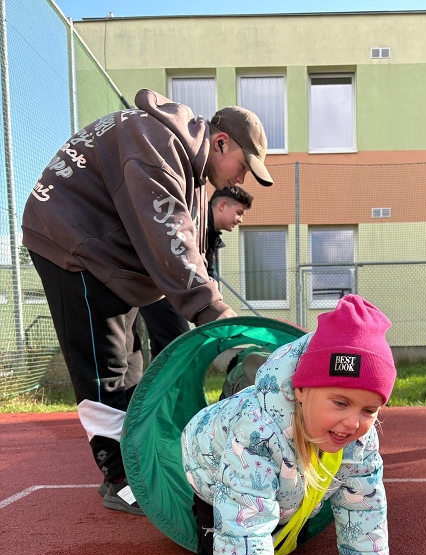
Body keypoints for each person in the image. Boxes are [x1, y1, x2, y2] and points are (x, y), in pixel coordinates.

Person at [21, 89, 272, 515]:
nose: (240, 180)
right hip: (72, 244)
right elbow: (170, 241)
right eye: (244, 168)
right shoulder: (154, 145)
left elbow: (189, 248)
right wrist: (220, 320)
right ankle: (120, 480)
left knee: (133, 365)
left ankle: (134, 467)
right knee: (106, 368)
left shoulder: (190, 171)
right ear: (221, 142)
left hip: (108, 253)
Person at [181, 295, 396, 555]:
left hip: (280, 451)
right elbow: (243, 527)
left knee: (286, 508)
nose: (352, 422)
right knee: (222, 541)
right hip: (207, 464)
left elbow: (364, 502)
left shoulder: (361, 440)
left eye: (369, 410)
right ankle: (236, 383)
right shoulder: (256, 434)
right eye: (340, 402)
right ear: (301, 390)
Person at [138, 186, 254, 360]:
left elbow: (206, 273)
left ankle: (162, 386)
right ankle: (171, 386)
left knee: (167, 346)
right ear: (222, 205)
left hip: (172, 291)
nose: (240, 220)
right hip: (162, 287)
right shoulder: (194, 223)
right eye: (239, 212)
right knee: (177, 343)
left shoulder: (210, 234)